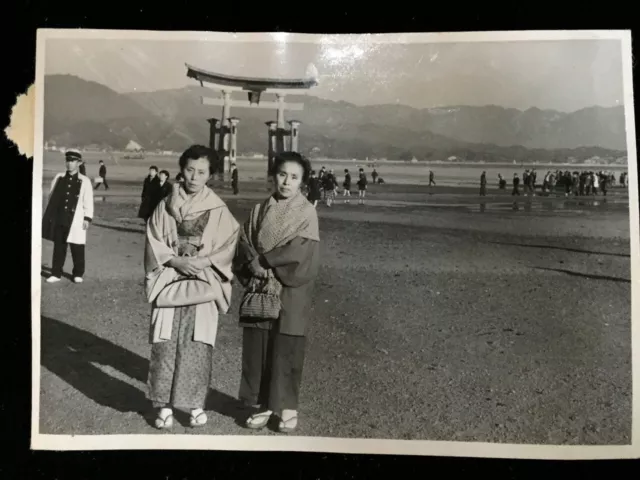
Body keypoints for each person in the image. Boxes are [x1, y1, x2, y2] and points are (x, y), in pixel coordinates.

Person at [144, 145, 240, 430]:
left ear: (211, 174)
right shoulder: (164, 205)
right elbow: (153, 239)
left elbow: (228, 246)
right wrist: (174, 259)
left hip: (204, 276)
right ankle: (162, 405)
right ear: (181, 170)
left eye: (202, 172)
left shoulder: (218, 209)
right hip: (171, 275)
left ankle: (195, 403)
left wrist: (203, 261)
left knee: (197, 343)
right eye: (189, 170)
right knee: (165, 342)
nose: (195, 177)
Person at [233, 151, 321, 434]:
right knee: (260, 345)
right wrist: (252, 262)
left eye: (294, 177)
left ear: (302, 182)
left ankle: (287, 407)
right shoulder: (260, 209)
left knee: (286, 346)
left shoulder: (307, 212)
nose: (286, 182)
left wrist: (266, 261)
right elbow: (244, 239)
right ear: (274, 175)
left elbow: (301, 250)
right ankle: (263, 405)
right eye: (282, 174)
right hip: (262, 285)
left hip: (290, 289)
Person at [42, 149, 94, 283]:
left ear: (79, 163)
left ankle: (78, 273)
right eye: (68, 161)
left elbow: (88, 200)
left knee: (77, 247)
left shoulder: (85, 181)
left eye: (73, 161)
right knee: (59, 247)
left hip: (76, 219)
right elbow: (51, 196)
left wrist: (87, 218)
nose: (69, 164)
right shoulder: (59, 178)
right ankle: (56, 273)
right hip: (61, 218)